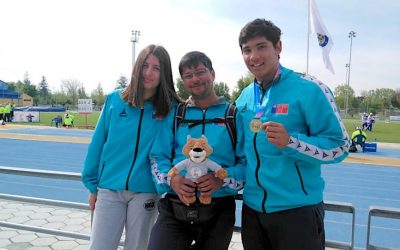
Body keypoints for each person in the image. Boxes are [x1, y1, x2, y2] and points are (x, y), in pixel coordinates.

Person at [235, 18, 350, 250]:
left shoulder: (309, 89)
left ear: (278, 47)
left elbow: (340, 146)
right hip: (252, 211)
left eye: (261, 47)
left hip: (297, 212)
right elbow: (240, 152)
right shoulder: (245, 97)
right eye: (247, 50)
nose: (254, 56)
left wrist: (292, 142)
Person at [81, 44, 180, 250]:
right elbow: (98, 144)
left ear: (164, 73)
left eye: (156, 68)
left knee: (138, 247)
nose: (149, 73)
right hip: (109, 188)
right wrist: (93, 186)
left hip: (146, 192)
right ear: (137, 67)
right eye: (145, 65)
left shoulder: (171, 109)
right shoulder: (114, 100)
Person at [147, 51, 246, 250]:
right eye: (188, 76)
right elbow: (157, 156)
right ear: (183, 81)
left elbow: (246, 163)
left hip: (218, 211)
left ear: (212, 73)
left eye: (200, 72)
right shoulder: (176, 114)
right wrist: (172, 180)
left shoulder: (233, 115)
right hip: (175, 207)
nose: (195, 79)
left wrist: (221, 180)